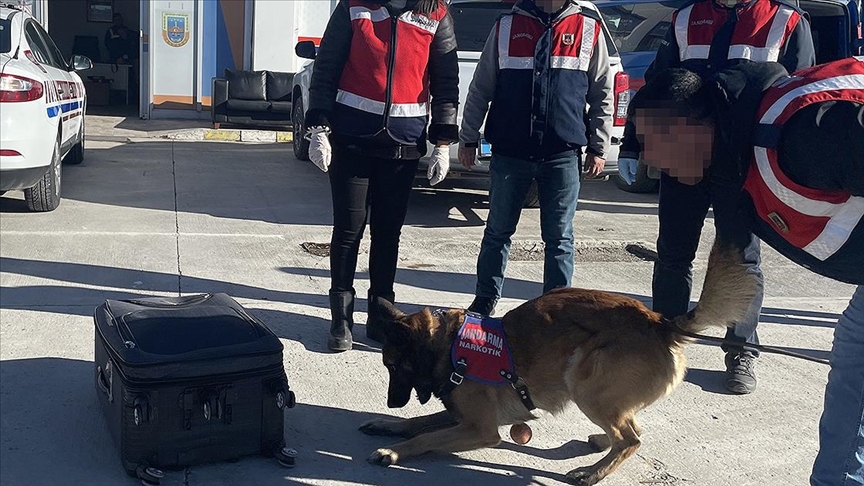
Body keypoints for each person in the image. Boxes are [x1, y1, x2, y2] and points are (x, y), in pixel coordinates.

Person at [628, 56, 864, 485]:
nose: (647, 160)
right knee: (853, 370)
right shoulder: (735, 158)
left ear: (688, 128)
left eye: (649, 141)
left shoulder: (801, 134)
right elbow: (731, 264)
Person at [617, 0, 816, 394]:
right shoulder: (686, 19)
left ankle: (741, 350)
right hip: (683, 159)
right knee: (673, 254)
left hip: (743, 167)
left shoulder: (786, 22)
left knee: (740, 259)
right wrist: (630, 144)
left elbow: (801, 99)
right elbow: (658, 87)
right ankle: (662, 342)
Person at [305, 0, 459, 352]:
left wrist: (442, 143)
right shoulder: (354, 7)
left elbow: (446, 80)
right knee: (347, 231)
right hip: (352, 141)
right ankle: (341, 320)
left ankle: (380, 315)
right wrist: (318, 126)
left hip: (403, 146)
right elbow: (327, 68)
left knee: (388, 234)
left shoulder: (435, 13)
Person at [459, 0, 614, 316]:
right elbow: (481, 87)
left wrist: (599, 146)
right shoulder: (506, 26)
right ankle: (485, 299)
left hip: (561, 154)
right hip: (510, 154)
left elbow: (602, 94)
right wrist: (469, 136)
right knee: (497, 232)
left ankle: (557, 309)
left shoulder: (588, 27)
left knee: (560, 239)